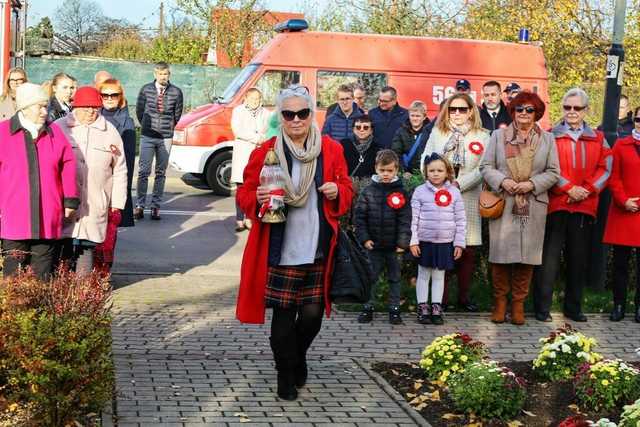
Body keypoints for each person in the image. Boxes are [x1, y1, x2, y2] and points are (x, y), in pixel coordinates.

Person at [235, 85, 353, 401]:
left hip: (316, 246)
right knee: (284, 317)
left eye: (303, 113)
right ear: (281, 117)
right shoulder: (265, 151)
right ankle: (285, 374)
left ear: (311, 115)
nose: (297, 119)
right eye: (289, 114)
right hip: (280, 247)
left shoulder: (331, 149)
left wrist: (337, 191)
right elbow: (244, 193)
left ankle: (297, 357)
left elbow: (347, 187)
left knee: (312, 317)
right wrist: (255, 197)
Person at [480, 90, 560, 326]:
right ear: (512, 111)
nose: (524, 114)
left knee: (527, 257)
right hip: (504, 201)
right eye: (519, 109)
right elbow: (485, 166)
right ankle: (500, 303)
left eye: (529, 110)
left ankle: (518, 304)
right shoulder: (498, 136)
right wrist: (503, 181)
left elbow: (554, 172)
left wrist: (531, 184)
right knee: (501, 256)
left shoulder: (548, 139)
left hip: (533, 204)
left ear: (537, 113)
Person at [532, 88, 611, 323]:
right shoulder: (550, 135)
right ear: (562, 109)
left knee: (578, 260)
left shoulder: (598, 137)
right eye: (568, 107)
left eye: (577, 108)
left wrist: (585, 190)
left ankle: (573, 308)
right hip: (556, 205)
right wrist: (568, 188)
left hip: (585, 206)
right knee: (549, 260)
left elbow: (605, 167)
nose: (572, 112)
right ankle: (542, 308)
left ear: (585, 110)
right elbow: (545, 167)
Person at [0, 83, 78, 281]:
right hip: (15, 215)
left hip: (47, 215)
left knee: (42, 274)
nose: (45, 111)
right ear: (24, 108)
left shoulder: (54, 133)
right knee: (14, 275)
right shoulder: (3, 133)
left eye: (46, 106)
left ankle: (39, 310)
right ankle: (15, 311)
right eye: (39, 107)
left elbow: (68, 165)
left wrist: (70, 200)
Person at [421, 94, 488, 312]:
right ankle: (443, 299)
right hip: (439, 196)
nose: (457, 113)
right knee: (444, 247)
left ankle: (464, 297)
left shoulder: (482, 135)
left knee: (467, 250)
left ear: (471, 111)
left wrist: (459, 184)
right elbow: (425, 157)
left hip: (467, 196)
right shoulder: (438, 131)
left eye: (462, 109)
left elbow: (483, 168)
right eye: (452, 109)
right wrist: (434, 179)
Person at [56, 86, 127, 276]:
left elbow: (120, 169)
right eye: (86, 107)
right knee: (63, 248)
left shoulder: (109, 131)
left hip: (96, 200)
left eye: (95, 107)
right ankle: (60, 292)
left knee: (86, 247)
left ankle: (81, 294)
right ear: (75, 107)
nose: (90, 112)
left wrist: (117, 203)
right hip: (64, 202)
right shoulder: (59, 127)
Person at [354, 150, 411, 325]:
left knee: (394, 278)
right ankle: (367, 307)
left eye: (390, 171)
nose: (386, 174)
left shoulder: (401, 192)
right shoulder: (368, 191)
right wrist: (364, 239)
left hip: (394, 247)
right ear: (376, 169)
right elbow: (359, 217)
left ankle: (394, 309)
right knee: (371, 277)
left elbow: (405, 219)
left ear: (396, 170)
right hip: (374, 245)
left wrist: (403, 242)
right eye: (382, 170)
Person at [410, 153, 466, 325]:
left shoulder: (455, 193)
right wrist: (413, 240)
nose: (435, 174)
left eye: (440, 170)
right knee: (423, 274)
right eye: (431, 170)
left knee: (439, 275)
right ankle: (422, 307)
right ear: (426, 172)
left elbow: (460, 220)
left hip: (445, 243)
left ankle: (436, 307)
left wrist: (459, 243)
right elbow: (413, 218)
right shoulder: (419, 192)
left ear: (447, 172)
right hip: (424, 243)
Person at [93, 78, 137, 275]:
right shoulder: (94, 116)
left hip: (112, 184)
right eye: (105, 95)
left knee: (108, 235)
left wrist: (121, 193)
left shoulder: (127, 122)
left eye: (114, 95)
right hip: (93, 184)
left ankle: (103, 273)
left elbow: (126, 161)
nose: (109, 99)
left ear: (121, 98)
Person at [603, 106, 640, 323]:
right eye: (638, 119)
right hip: (623, 211)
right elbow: (613, 175)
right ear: (633, 121)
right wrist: (623, 200)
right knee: (620, 264)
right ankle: (618, 305)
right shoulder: (621, 144)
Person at [134, 62, 184, 221]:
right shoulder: (145, 89)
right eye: (161, 74)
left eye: (166, 74)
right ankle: (140, 205)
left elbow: (177, 114)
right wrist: (147, 126)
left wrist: (168, 128)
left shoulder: (176, 92)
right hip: (148, 136)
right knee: (143, 172)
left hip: (166, 137)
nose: (163, 77)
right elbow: (140, 111)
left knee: (161, 172)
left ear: (169, 74)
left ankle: (155, 206)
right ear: (155, 74)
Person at [230, 87, 269, 232]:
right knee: (241, 188)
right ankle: (239, 219)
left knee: (254, 188)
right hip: (243, 153)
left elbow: (268, 130)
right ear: (246, 98)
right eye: (252, 98)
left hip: (258, 154)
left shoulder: (266, 113)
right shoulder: (238, 111)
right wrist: (256, 137)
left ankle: (249, 218)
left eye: (257, 98)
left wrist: (262, 138)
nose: (255, 101)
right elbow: (237, 130)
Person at [391, 100, 432, 174]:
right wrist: (403, 171)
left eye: (418, 116)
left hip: (426, 172)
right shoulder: (401, 131)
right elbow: (396, 153)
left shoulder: (430, 132)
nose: (415, 118)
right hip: (406, 173)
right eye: (412, 115)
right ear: (409, 115)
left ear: (424, 117)